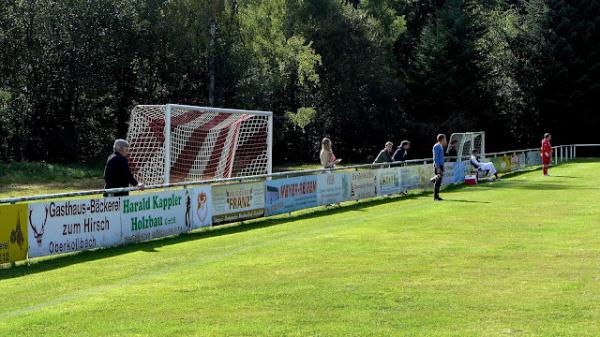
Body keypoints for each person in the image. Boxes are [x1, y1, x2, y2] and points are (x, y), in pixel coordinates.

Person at [431, 134, 447, 201]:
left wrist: (442, 166)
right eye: (445, 139)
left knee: (439, 181)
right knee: (438, 181)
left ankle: (437, 196)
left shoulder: (440, 146)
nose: (446, 140)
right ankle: (436, 197)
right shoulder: (437, 146)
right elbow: (436, 158)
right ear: (442, 139)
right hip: (438, 166)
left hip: (440, 165)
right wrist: (438, 167)